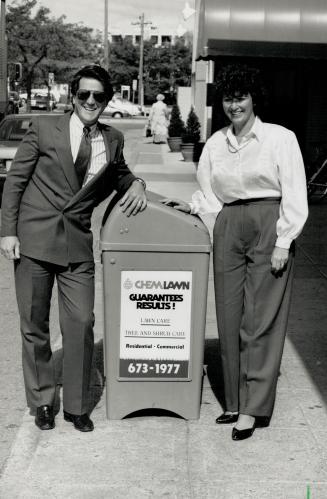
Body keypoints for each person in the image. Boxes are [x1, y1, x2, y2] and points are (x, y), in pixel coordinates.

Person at [162, 64, 308, 440]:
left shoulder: (279, 138)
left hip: (268, 221)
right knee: (227, 317)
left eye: (241, 96)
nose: (234, 105)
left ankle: (253, 407)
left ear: (254, 98)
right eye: (228, 98)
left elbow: (294, 190)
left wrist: (283, 240)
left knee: (258, 321)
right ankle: (233, 400)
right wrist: (193, 207)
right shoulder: (215, 143)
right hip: (229, 225)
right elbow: (209, 191)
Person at [0, 65, 147, 432]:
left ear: (107, 100)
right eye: (84, 95)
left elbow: (119, 173)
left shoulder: (112, 139)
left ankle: (77, 406)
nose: (91, 102)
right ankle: (43, 401)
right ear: (73, 97)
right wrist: (8, 232)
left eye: (98, 96)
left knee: (81, 323)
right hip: (33, 240)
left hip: (77, 246)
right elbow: (15, 181)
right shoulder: (44, 128)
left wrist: (138, 183)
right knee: (35, 327)